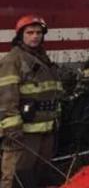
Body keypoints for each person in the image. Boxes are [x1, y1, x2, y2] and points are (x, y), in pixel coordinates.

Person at [0, 15, 63, 188]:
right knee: (15, 178)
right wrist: (12, 129)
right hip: (23, 133)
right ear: (20, 35)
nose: (35, 36)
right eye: (30, 32)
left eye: (38, 32)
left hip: (45, 129)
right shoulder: (13, 60)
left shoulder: (43, 60)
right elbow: (6, 98)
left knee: (38, 177)